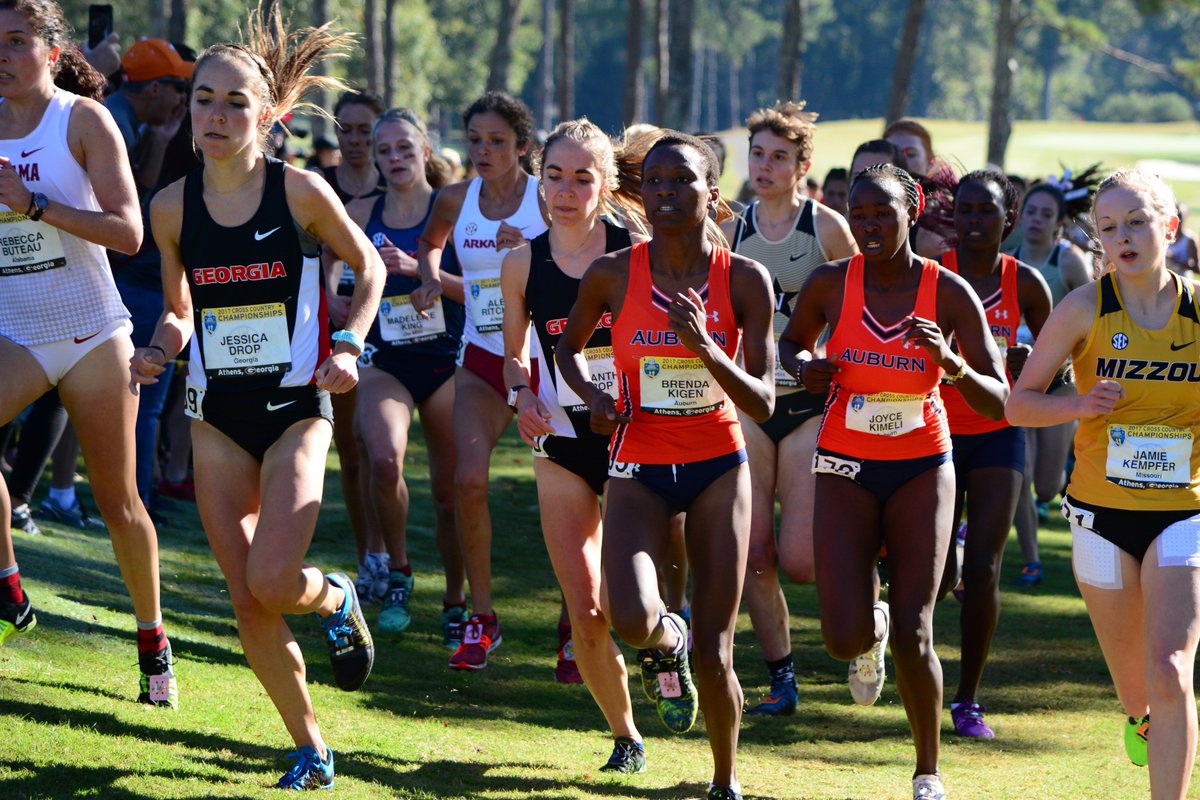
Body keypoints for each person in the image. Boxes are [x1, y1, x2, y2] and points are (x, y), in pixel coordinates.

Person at [129, 5, 382, 788]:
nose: (215, 114)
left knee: (277, 580)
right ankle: (311, 747)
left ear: (267, 115)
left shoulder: (300, 192)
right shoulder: (171, 207)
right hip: (215, 417)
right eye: (204, 98)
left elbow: (367, 267)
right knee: (248, 600)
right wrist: (159, 351)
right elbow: (179, 311)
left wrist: (346, 345)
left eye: (236, 102)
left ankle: (336, 597)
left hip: (297, 407)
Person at [780, 163, 1008, 800]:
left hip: (921, 465)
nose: (870, 225)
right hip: (845, 465)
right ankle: (867, 633)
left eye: (883, 212)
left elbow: (997, 399)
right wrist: (805, 368)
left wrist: (951, 363)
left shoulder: (948, 291)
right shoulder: (831, 282)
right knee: (839, 635)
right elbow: (791, 345)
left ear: (913, 212)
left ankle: (927, 771)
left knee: (917, 629)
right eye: (860, 213)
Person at [558, 132, 775, 800]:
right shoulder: (614, 274)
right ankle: (664, 635)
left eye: (681, 180)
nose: (664, 193)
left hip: (717, 465)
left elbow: (763, 402)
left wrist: (706, 346)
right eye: (653, 181)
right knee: (627, 616)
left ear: (712, 193)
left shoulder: (743, 278)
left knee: (717, 651)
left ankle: (724, 781)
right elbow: (566, 353)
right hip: (638, 464)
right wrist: (594, 398)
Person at [0, 0, 178, 710]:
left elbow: (130, 232)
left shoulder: (81, 119)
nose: (2, 55)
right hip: (15, 330)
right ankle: (9, 585)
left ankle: (152, 636)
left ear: (49, 49)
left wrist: (33, 204)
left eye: (15, 41)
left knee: (118, 501)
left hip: (91, 332)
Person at [1007, 169, 1200, 800]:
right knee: (1140, 691)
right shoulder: (1085, 307)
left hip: (1184, 512)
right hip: (1098, 515)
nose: (1124, 237)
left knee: (1172, 672)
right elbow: (1019, 404)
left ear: (1169, 228)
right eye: (1109, 227)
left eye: (1138, 222)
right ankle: (1143, 720)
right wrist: (1079, 405)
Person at [500, 117, 649, 774]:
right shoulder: (521, 263)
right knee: (584, 606)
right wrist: (520, 397)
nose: (565, 190)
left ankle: (668, 641)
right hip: (559, 437)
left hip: (631, 436)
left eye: (582, 178)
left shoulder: (633, 251)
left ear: (606, 184)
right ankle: (626, 737)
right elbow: (507, 355)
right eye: (554, 176)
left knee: (623, 597)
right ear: (539, 180)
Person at [719, 100, 857, 717]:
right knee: (755, 558)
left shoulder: (826, 229)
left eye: (779, 157)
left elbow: (859, 308)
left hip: (805, 407)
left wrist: (831, 361)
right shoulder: (729, 229)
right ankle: (783, 680)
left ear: (803, 166)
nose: (765, 166)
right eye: (758, 155)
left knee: (801, 562)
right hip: (749, 404)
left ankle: (868, 607)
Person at [412, 90, 549, 671]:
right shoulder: (454, 198)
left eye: (496, 141)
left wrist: (535, 253)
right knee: (467, 479)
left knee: (567, 494)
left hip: (546, 362)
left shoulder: (547, 199)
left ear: (522, 147)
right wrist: (426, 280)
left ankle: (575, 623)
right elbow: (428, 244)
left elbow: (584, 262)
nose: (483, 151)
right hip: (482, 359)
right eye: (474, 140)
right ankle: (482, 617)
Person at [338, 107, 465, 639]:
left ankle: (457, 599)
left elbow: (487, 287)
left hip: (447, 359)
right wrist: (341, 303)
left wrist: (420, 270)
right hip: (385, 360)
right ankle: (398, 571)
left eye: (404, 149)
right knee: (383, 461)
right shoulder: (360, 211)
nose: (393, 158)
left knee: (451, 489)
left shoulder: (453, 208)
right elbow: (338, 282)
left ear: (426, 152)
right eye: (384, 149)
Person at [936, 169, 1052, 739]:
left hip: (998, 433)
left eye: (987, 211)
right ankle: (891, 632)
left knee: (983, 569)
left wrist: (1030, 362)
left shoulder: (1026, 283)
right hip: (930, 434)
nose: (975, 220)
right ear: (952, 216)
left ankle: (967, 700)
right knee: (934, 573)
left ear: (1008, 219)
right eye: (966, 210)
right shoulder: (932, 276)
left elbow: (1056, 367)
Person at [1007, 172, 1097, 585]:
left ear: (1059, 223)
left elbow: (1098, 311)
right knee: (1020, 472)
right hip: (1016, 381)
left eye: (1046, 214)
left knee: (1045, 486)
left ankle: (1051, 492)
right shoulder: (1007, 252)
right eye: (1031, 212)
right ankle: (1031, 558)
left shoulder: (1068, 261)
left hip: (1060, 385)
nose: (1036, 220)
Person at [319, 89, 391, 605]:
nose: (357, 140)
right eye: (347, 129)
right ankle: (369, 552)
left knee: (378, 443)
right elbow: (317, 256)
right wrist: (329, 299)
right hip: (331, 323)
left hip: (392, 330)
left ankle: (388, 552)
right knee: (350, 449)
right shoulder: (317, 186)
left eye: (366, 130)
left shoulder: (396, 186)